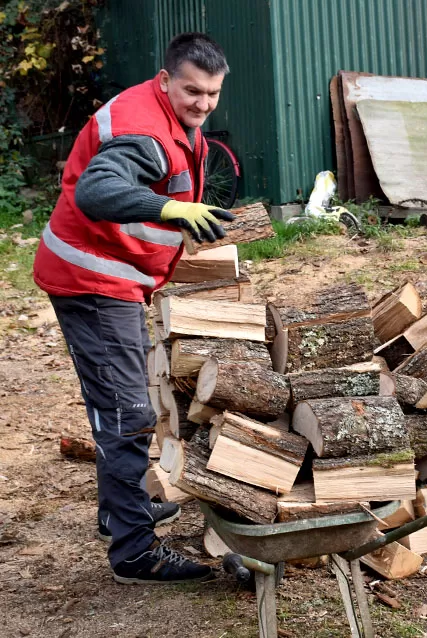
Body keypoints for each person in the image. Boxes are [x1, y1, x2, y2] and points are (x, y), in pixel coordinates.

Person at [32, 33, 234, 583]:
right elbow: (97, 191)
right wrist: (170, 207)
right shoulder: (143, 131)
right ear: (165, 80)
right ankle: (134, 554)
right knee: (128, 415)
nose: (203, 104)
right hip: (92, 280)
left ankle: (117, 511)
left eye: (213, 94)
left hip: (108, 274)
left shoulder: (168, 113)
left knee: (120, 402)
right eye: (193, 91)